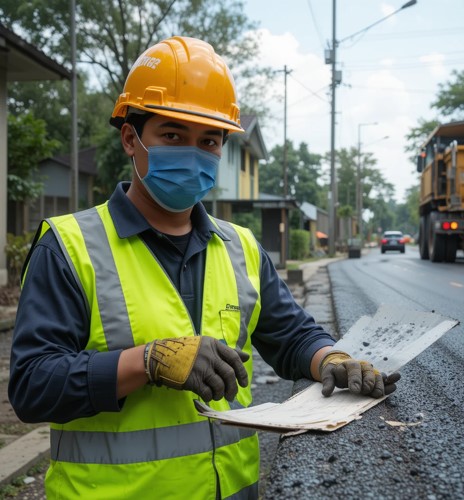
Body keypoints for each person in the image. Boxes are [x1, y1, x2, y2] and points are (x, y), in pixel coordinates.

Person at [9, 36, 400, 499]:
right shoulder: (70, 247)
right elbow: (33, 385)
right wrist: (147, 362)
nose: (193, 153)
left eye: (209, 141)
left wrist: (330, 359)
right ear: (130, 138)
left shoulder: (241, 248)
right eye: (173, 136)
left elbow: (291, 335)